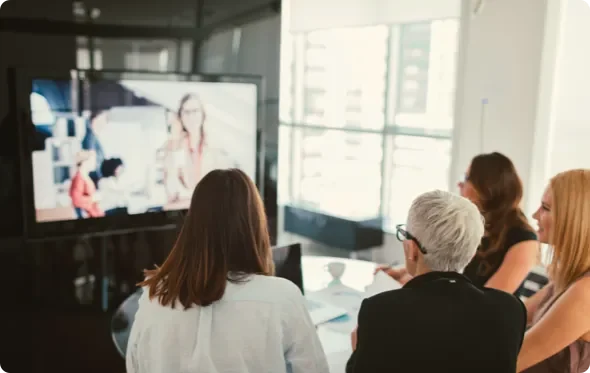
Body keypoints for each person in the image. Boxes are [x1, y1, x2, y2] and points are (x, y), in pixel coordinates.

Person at [126, 168, 328, 373]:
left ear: (192, 223)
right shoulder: (283, 297)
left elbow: (134, 366)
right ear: (255, 224)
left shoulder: (155, 296)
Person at [346, 190, 527, 373]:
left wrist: (357, 351)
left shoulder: (381, 310)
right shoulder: (510, 309)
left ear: (412, 249)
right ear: (471, 251)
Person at [379, 152, 538, 294]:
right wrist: (402, 272)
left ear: (487, 187)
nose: (460, 184)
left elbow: (488, 302)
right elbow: (441, 264)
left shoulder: (524, 240)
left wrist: (418, 285)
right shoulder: (470, 223)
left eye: (467, 178)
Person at [516, 169, 590, 372]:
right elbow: (513, 315)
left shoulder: (586, 292)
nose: (535, 215)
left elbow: (512, 360)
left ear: (574, 220)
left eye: (546, 208)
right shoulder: (566, 278)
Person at [69, 150, 104, 218]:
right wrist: (93, 198)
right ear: (85, 162)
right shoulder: (79, 178)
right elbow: (76, 200)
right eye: (92, 160)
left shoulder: (84, 176)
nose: (95, 163)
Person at [81, 110, 108, 186]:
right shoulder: (90, 137)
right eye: (103, 119)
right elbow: (90, 158)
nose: (105, 123)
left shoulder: (93, 137)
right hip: (93, 178)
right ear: (95, 119)